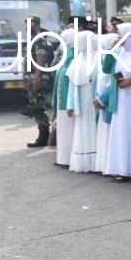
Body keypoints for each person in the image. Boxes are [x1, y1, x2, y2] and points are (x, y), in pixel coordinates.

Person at [103, 23, 131, 181]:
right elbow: (106, 69)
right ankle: (120, 168)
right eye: (117, 34)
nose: (118, 37)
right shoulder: (118, 51)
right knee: (120, 132)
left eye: (121, 34)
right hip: (119, 98)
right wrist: (111, 51)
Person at [68, 30, 99, 173]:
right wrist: (70, 105)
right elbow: (72, 85)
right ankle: (84, 160)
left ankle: (96, 161)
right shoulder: (77, 59)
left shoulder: (99, 57)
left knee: (95, 126)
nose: (79, 44)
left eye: (81, 41)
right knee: (83, 126)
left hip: (93, 96)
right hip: (80, 97)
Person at [25, 16, 55, 148]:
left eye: (30, 23)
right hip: (32, 76)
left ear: (36, 24)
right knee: (36, 107)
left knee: (39, 107)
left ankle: (43, 137)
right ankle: (43, 135)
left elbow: (40, 59)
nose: (27, 26)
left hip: (39, 77)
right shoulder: (32, 39)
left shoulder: (38, 39)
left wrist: (36, 77)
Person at [93, 33, 117, 173]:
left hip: (108, 102)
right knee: (103, 135)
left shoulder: (113, 59)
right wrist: (97, 97)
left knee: (109, 136)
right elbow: (99, 82)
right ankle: (104, 165)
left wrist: (102, 98)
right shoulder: (104, 59)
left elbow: (112, 82)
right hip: (101, 102)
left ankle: (110, 166)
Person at [52, 29, 77, 166]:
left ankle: (68, 159)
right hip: (61, 98)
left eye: (65, 39)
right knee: (62, 130)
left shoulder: (73, 56)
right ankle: (62, 158)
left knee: (68, 130)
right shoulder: (65, 56)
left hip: (68, 99)